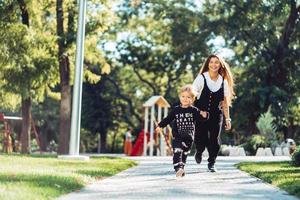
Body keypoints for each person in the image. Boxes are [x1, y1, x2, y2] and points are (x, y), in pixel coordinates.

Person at [192, 54, 235, 172]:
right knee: (201, 137)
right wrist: (192, 95)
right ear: (208, 64)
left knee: (215, 140)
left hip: (216, 115)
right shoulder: (201, 78)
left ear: (220, 65)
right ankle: (199, 151)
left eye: (216, 62)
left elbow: (225, 103)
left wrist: (228, 119)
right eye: (211, 62)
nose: (214, 64)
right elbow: (193, 91)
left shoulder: (223, 82)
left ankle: (211, 162)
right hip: (201, 114)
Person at [155, 85, 207, 177]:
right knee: (177, 151)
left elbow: (201, 120)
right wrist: (160, 125)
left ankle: (181, 168)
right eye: (183, 96)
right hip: (178, 136)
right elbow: (168, 119)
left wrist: (204, 116)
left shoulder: (194, 110)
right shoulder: (176, 110)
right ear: (180, 97)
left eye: (188, 97)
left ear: (192, 99)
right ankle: (178, 168)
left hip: (189, 137)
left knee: (184, 154)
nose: (185, 99)